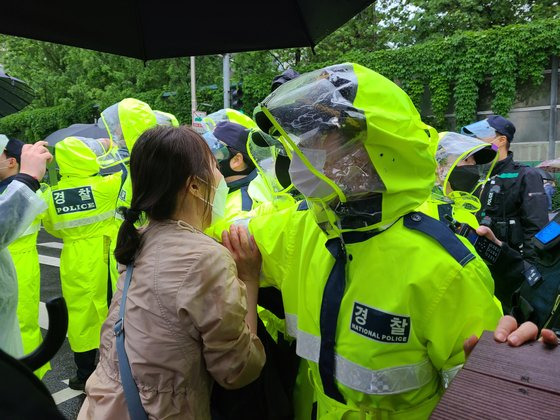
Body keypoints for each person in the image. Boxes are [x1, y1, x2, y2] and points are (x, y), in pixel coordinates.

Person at [241, 63, 504, 418]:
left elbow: (485, 401)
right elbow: (210, 246)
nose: (303, 150)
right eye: (303, 138)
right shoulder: (303, 228)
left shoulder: (445, 269)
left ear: (373, 149)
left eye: (320, 136)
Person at [78, 126, 265, 419]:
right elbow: (237, 370)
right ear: (194, 186)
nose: (219, 176)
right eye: (214, 166)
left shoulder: (137, 237)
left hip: (104, 406)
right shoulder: (206, 258)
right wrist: (250, 279)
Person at [42, 136, 123, 391]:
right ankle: (115, 369)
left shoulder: (51, 196)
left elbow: (52, 228)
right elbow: (126, 166)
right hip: (105, 251)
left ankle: (84, 373)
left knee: (80, 316)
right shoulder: (107, 185)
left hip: (74, 258)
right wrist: (108, 147)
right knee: (114, 309)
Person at [461, 115, 549, 261]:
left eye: (480, 136)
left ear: (501, 140)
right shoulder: (478, 175)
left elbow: (536, 228)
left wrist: (529, 269)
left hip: (511, 262)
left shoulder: (526, 175)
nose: (475, 141)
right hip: (478, 260)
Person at [0, 137, 51, 378]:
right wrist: (27, 179)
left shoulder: (22, 191)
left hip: (21, 266)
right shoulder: (20, 189)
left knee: (23, 327)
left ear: (11, 161)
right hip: (19, 264)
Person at [99, 98, 157, 289]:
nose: (115, 132)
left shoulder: (146, 168)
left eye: (118, 126)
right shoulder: (133, 165)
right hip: (126, 255)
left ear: (130, 128)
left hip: (138, 261)